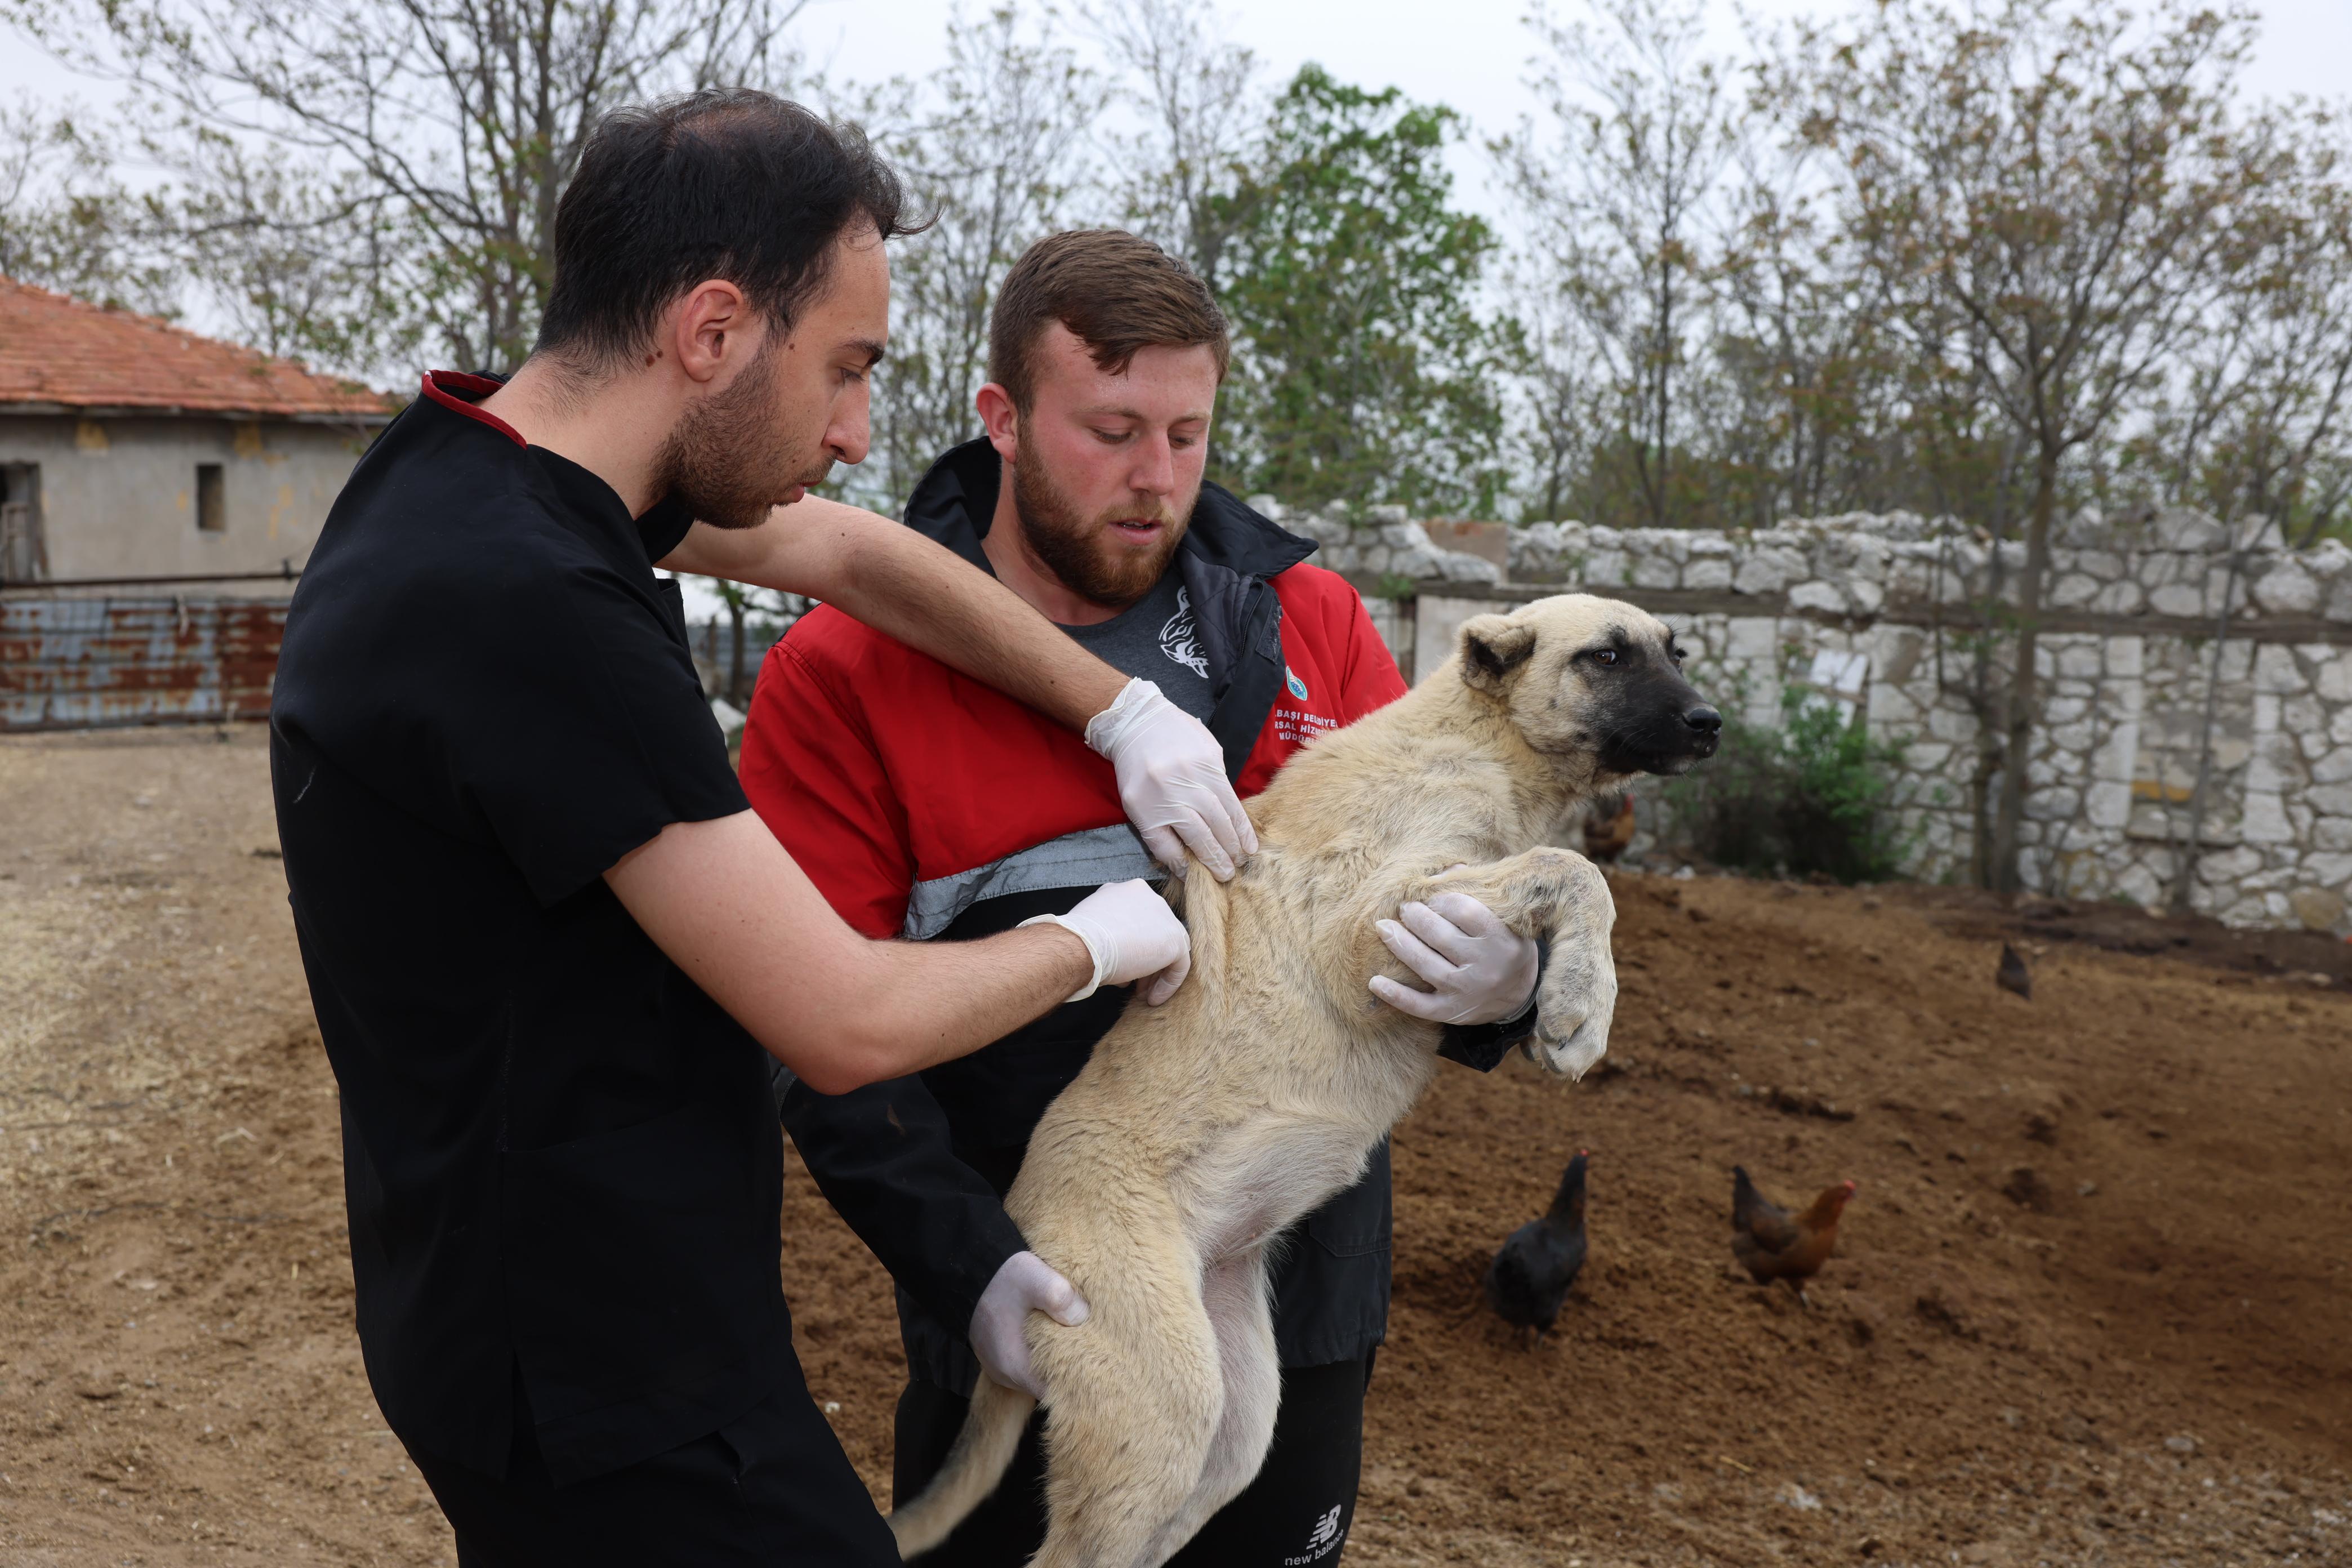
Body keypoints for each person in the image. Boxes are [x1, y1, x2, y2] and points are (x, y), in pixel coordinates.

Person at [270, 96, 1259, 1565]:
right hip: (607, 1381)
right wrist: (1098, 938)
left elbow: (849, 554)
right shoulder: (536, 612)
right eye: (845, 370)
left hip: (495, 1307)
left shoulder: (471, 473)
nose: (856, 433)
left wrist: (1117, 713)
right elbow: (842, 1015)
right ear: (714, 332)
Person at [740, 229, 1545, 1567]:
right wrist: (969, 1265)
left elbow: (1424, 903)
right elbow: (807, 1031)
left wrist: (1496, 994)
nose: (1157, 478)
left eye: (1188, 431)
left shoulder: (1312, 618)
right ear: (1002, 418)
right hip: (1029, 1281)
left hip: (1301, 1277)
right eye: (1111, 430)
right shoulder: (846, 671)